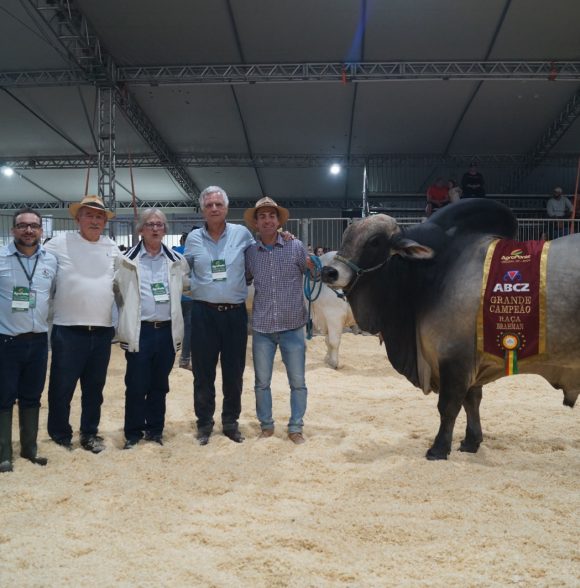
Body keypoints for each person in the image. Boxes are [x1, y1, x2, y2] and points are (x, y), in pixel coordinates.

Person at [44, 195, 118, 454]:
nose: (95, 221)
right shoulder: (58, 243)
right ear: (78, 219)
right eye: (89, 215)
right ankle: (60, 434)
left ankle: (89, 433)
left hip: (101, 330)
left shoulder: (112, 247)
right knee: (62, 387)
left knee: (94, 389)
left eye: (100, 217)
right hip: (68, 329)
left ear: (105, 222)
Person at [184, 186, 254, 445]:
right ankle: (204, 424)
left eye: (218, 205)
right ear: (202, 209)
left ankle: (230, 422)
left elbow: (259, 256)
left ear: (226, 208)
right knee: (202, 372)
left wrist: (287, 237)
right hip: (203, 313)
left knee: (233, 371)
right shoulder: (192, 240)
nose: (214, 209)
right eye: (209, 205)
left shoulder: (243, 234)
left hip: (235, 314)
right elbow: (181, 270)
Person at [115, 209, 190, 449]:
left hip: (166, 332)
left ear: (165, 229)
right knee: (136, 385)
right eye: (150, 224)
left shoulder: (177, 261)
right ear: (140, 230)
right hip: (141, 332)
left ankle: (155, 430)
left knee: (160, 385)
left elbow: (186, 286)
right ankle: (134, 433)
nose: (155, 228)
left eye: (159, 224)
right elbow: (115, 290)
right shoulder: (126, 260)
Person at [244, 197, 311, 444]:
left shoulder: (296, 247)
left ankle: (295, 427)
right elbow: (246, 278)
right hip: (262, 327)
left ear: (278, 220)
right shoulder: (250, 253)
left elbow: (311, 272)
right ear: (256, 223)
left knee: (298, 382)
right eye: (262, 216)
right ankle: (267, 426)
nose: (267, 220)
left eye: (271, 215)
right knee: (261, 382)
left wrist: (313, 262)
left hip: (293, 326)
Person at [0, 208, 57, 472]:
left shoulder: (50, 261)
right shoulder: (0, 257)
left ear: (41, 230)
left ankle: (29, 449)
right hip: (6, 341)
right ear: (13, 230)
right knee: (3, 397)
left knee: (32, 396)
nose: (29, 230)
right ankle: (3, 453)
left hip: (38, 342)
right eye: (22, 226)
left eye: (34, 226)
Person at [172, 232, 194, 370]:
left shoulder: (173, 251)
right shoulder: (193, 254)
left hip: (175, 296)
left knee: (173, 327)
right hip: (190, 297)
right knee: (188, 329)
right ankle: (185, 358)